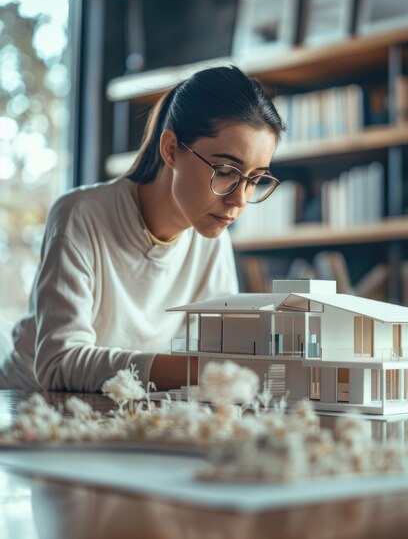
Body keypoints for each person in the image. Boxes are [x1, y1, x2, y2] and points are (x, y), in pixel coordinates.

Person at [0, 66, 285, 392]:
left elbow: (218, 352)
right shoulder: (80, 216)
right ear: (170, 149)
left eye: (256, 179)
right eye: (224, 171)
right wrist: (200, 370)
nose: (239, 200)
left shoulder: (212, 239)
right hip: (28, 402)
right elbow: (59, 362)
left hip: (117, 406)